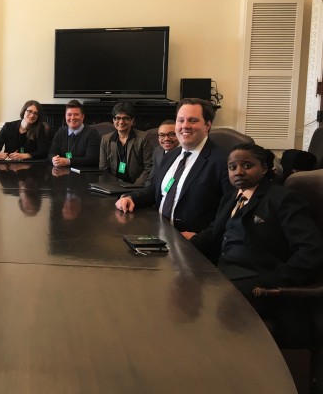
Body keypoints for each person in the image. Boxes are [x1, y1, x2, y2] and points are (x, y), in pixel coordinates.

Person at [191, 143, 323, 293]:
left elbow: (310, 249)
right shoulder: (230, 197)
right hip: (222, 272)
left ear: (264, 169)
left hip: (255, 281)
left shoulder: (284, 199)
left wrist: (274, 281)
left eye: (247, 166)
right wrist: (184, 245)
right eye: (232, 167)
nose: (238, 172)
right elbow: (215, 230)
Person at [115, 98, 233, 236]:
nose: (185, 126)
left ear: (207, 125)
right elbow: (155, 189)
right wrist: (131, 198)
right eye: (180, 120)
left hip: (193, 245)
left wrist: (202, 238)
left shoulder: (223, 161)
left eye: (193, 120)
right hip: (158, 232)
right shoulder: (171, 155)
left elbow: (229, 212)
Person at [99, 101, 152, 184]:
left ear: (132, 120)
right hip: (113, 185)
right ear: (113, 120)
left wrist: (135, 186)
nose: (121, 122)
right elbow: (103, 167)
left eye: (125, 118)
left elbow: (148, 168)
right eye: (117, 118)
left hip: (136, 185)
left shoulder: (143, 138)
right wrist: (113, 186)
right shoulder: (106, 139)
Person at [48, 99, 100, 168]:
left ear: (83, 116)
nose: (72, 118)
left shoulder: (92, 133)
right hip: (62, 173)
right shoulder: (60, 131)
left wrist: (68, 161)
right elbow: (51, 153)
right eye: (69, 115)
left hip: (84, 175)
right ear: (65, 116)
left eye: (76, 114)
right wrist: (54, 159)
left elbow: (92, 160)